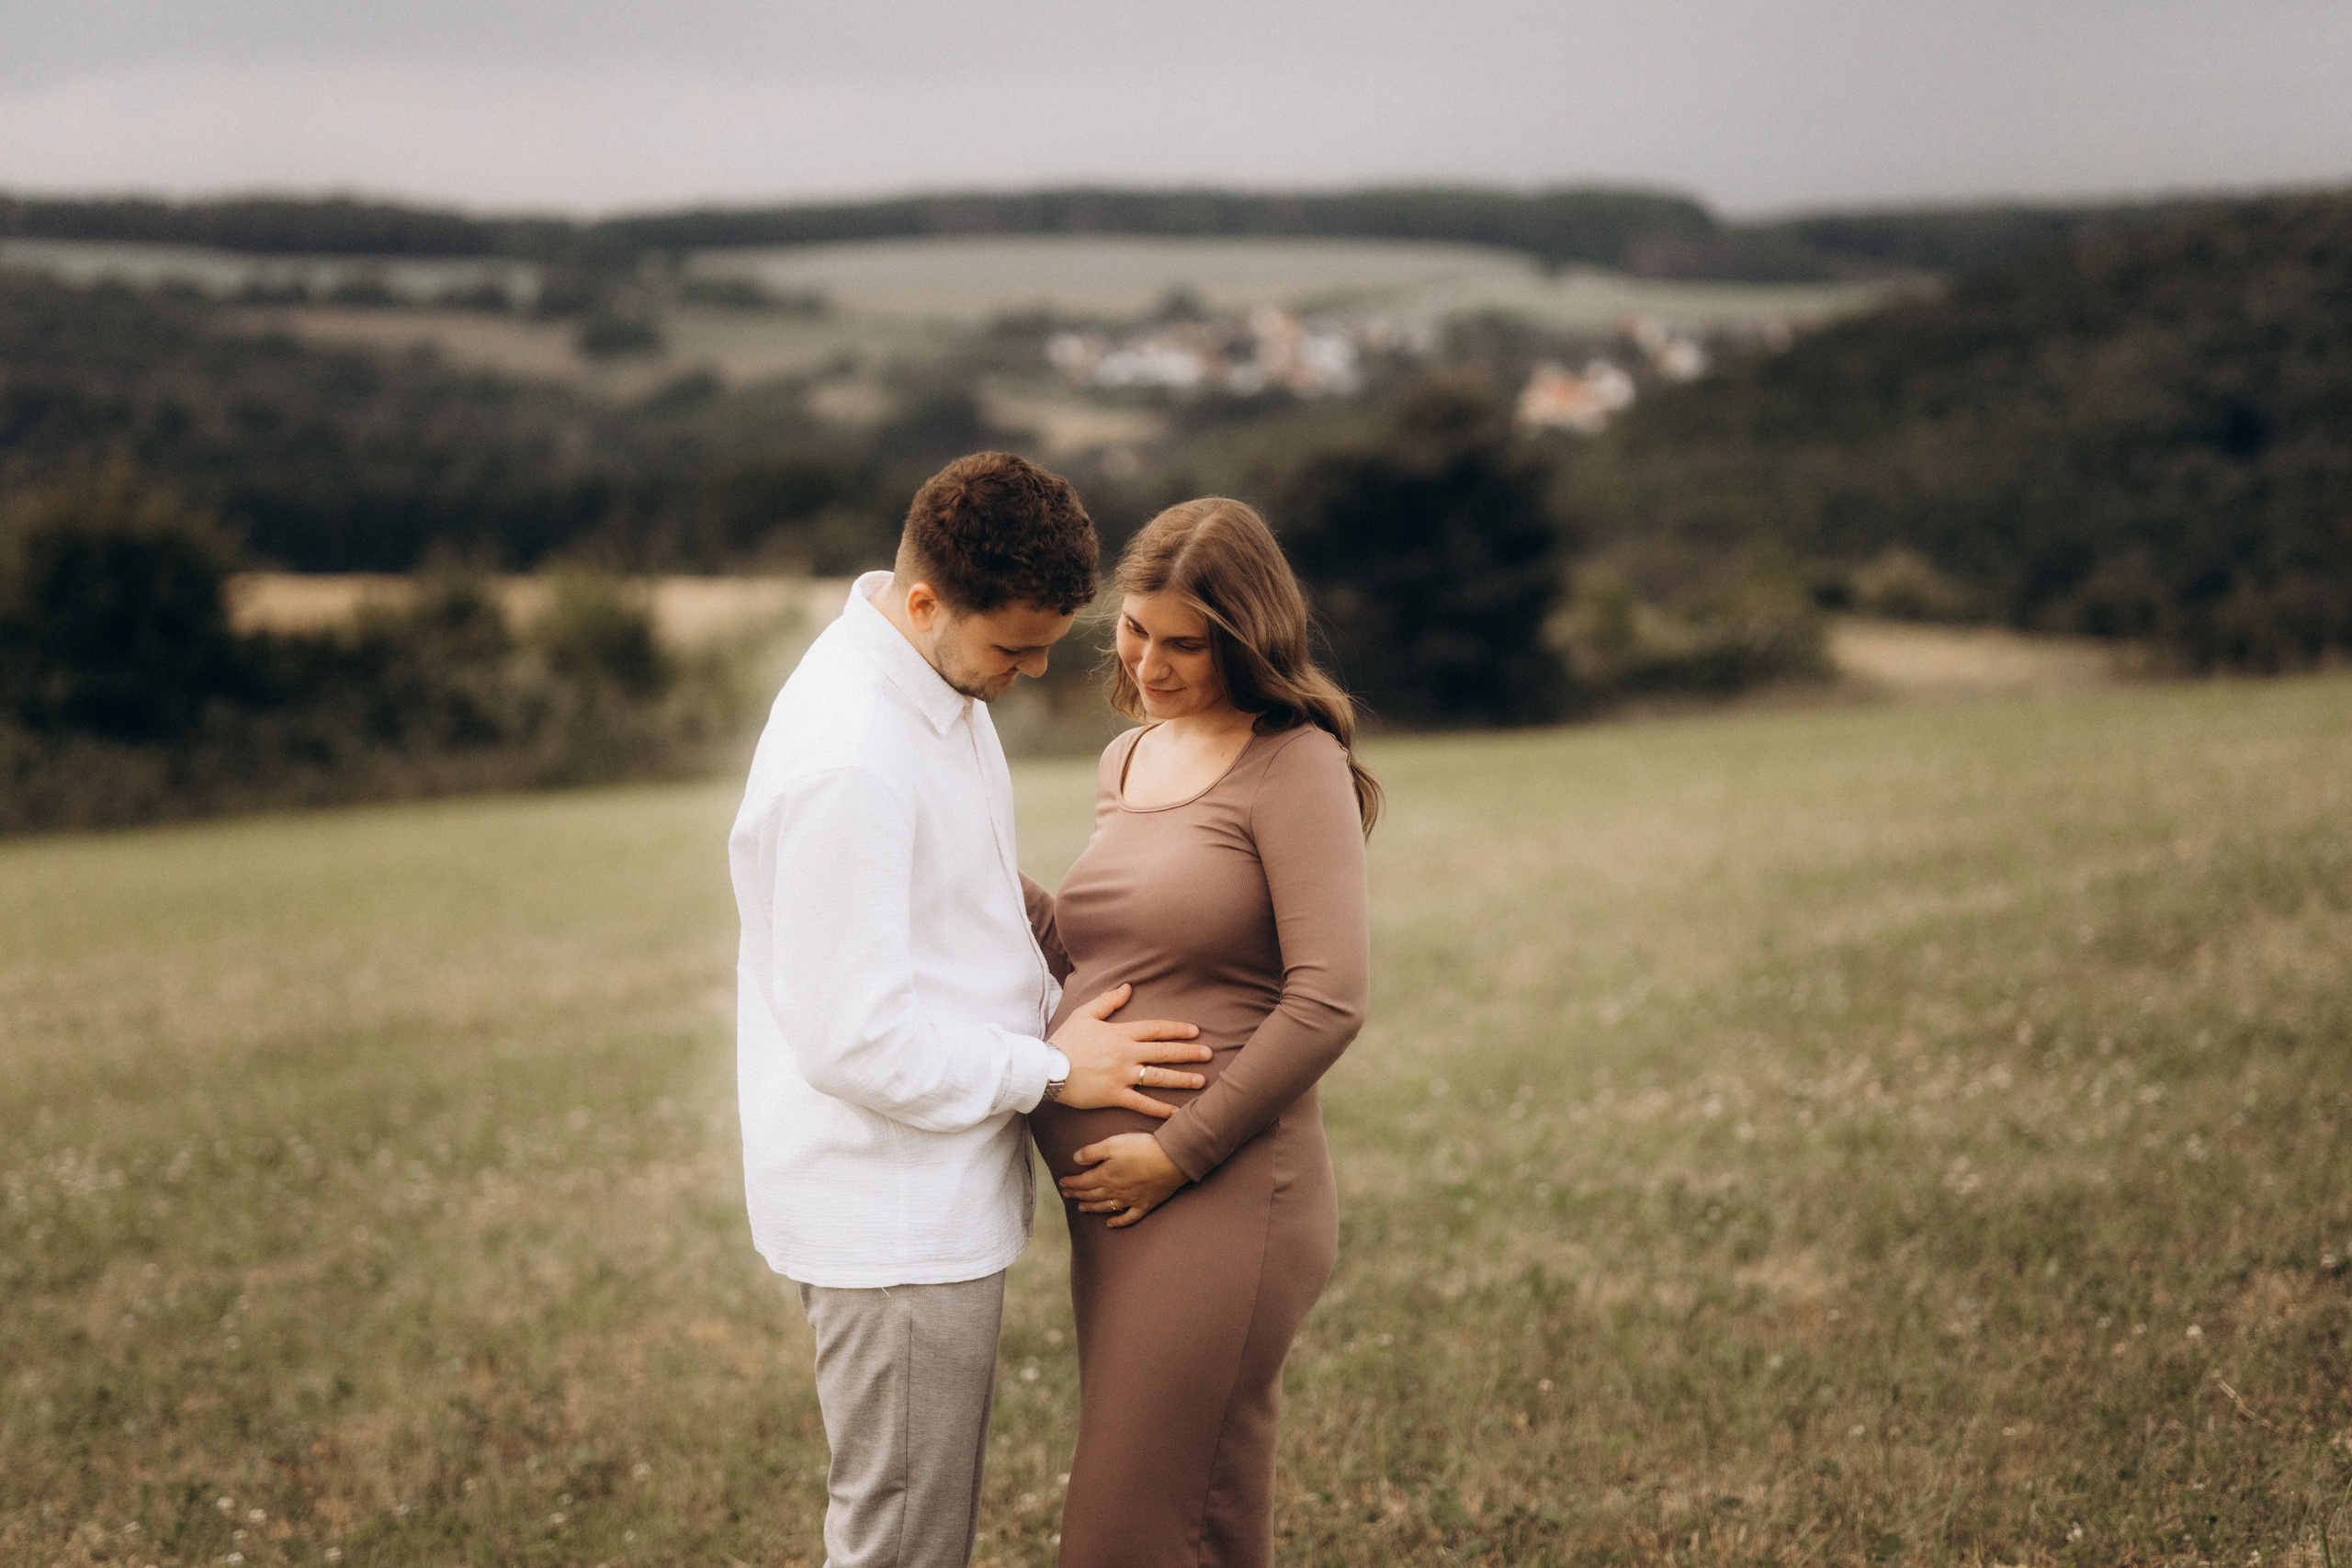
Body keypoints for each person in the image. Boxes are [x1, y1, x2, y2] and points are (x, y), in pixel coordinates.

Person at [729, 452, 1215, 1568]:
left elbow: (967, 913)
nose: (1036, 671)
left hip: (934, 1190)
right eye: (1014, 646)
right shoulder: (853, 758)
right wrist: (1054, 1072)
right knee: (903, 1544)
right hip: (890, 1214)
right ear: (922, 603)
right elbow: (854, 1036)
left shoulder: (931, 685)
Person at [1028, 497, 1379, 1568]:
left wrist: (1175, 1153)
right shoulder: (1127, 761)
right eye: (1136, 631)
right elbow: (1096, 951)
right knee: (1202, 1519)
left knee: (1124, 1534)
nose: (1150, 664)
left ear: (1248, 638)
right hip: (1121, 1211)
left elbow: (1329, 997)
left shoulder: (1292, 762)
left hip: (1224, 1192)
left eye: (1187, 645)